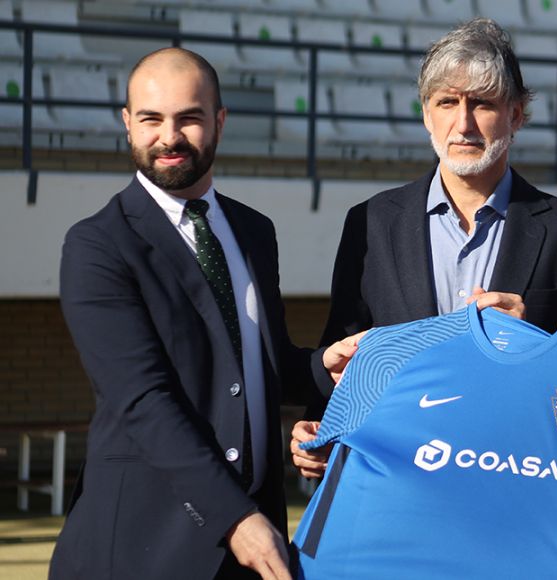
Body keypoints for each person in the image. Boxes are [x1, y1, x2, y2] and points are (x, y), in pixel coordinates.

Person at [49, 47, 360, 580]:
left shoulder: (254, 231)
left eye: (189, 118)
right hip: (143, 548)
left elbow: (254, 365)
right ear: (128, 124)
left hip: (252, 545)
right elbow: (142, 399)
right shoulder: (97, 245)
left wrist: (318, 368)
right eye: (150, 119)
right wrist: (235, 517)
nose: (168, 137)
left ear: (219, 121)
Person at [292, 18, 557, 476]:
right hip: (396, 476)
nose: (463, 124)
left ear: (517, 114)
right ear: (427, 113)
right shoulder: (370, 223)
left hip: (510, 477)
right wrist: (320, 430)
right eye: (447, 102)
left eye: (483, 104)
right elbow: (343, 352)